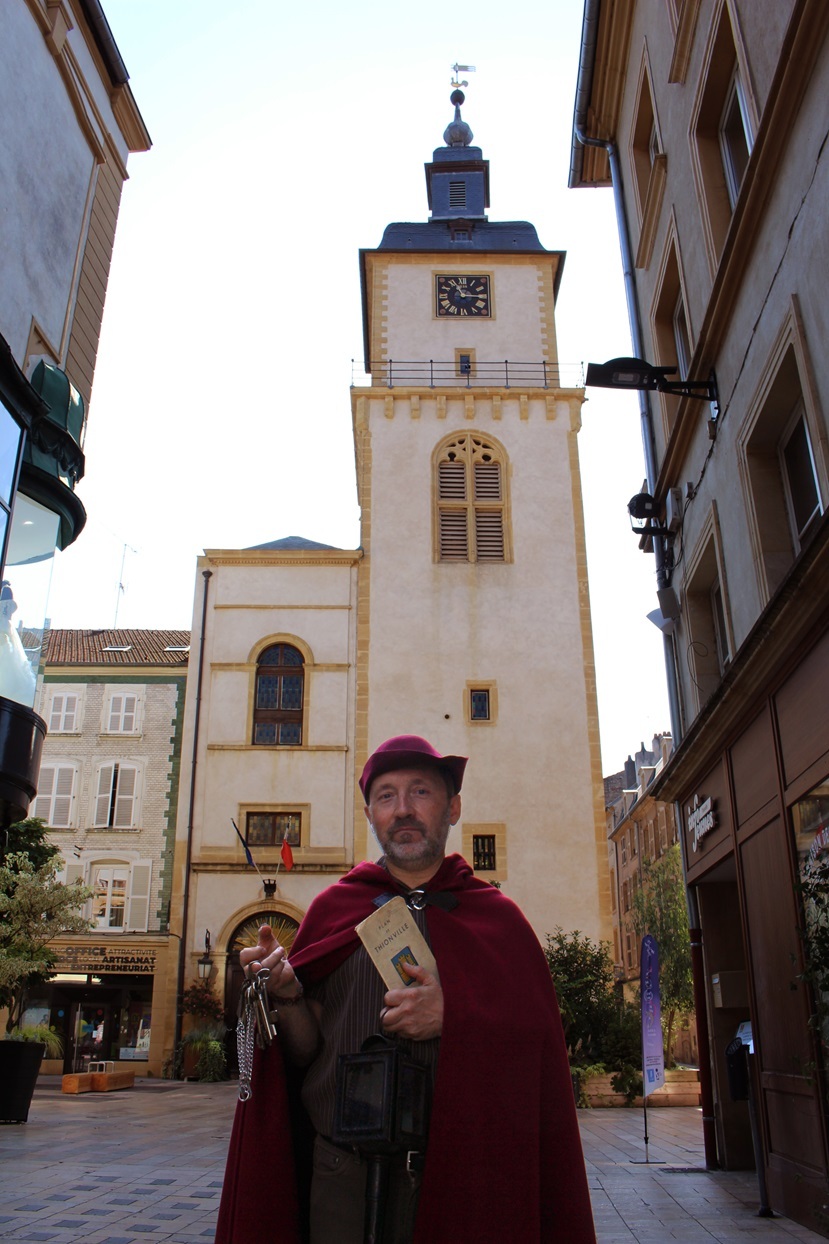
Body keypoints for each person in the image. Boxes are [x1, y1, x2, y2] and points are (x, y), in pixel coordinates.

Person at [216, 735, 596, 1244]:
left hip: (463, 1172)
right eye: (387, 796)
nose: (403, 810)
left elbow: (538, 1043)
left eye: (420, 792)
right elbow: (305, 1053)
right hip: (341, 1173)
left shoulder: (498, 920)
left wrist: (455, 1016)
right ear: (371, 814)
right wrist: (284, 995)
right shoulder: (334, 909)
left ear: (453, 808)